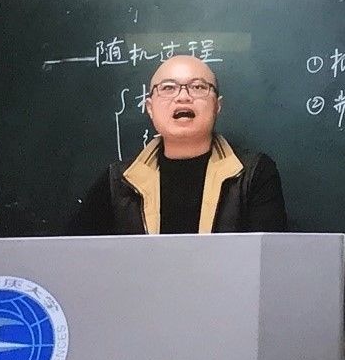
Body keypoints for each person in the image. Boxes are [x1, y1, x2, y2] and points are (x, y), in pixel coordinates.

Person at [68, 55, 288, 235]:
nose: (183, 97)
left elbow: (269, 260)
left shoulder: (253, 175)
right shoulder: (118, 183)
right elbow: (75, 256)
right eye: (168, 88)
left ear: (217, 106)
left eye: (198, 87)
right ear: (150, 108)